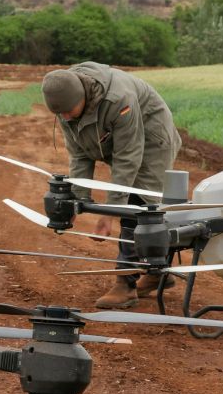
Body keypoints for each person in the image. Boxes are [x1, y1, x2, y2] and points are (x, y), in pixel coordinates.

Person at [41, 61, 181, 310]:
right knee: (135, 207)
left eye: (69, 111)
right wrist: (77, 201)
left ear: (82, 96)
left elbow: (128, 158)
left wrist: (111, 211)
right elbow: (80, 154)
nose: (65, 118)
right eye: (60, 114)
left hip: (151, 140)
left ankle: (125, 285)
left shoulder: (118, 99)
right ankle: (158, 272)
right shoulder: (66, 102)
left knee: (138, 207)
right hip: (118, 140)